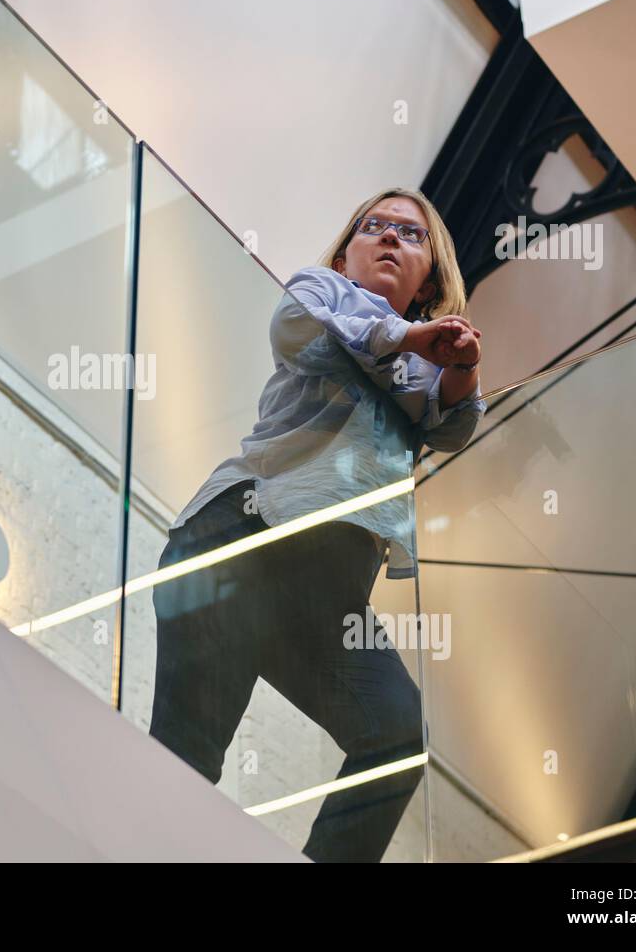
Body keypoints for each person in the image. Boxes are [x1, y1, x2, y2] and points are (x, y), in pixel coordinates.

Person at [148, 187, 485, 862]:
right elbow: (297, 330)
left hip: (323, 594)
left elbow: (450, 426)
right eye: (375, 227)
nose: (390, 237)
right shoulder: (319, 293)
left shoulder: (421, 374)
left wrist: (462, 368)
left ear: (431, 281)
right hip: (236, 541)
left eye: (411, 235)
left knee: (394, 736)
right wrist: (414, 338)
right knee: (186, 765)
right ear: (346, 251)